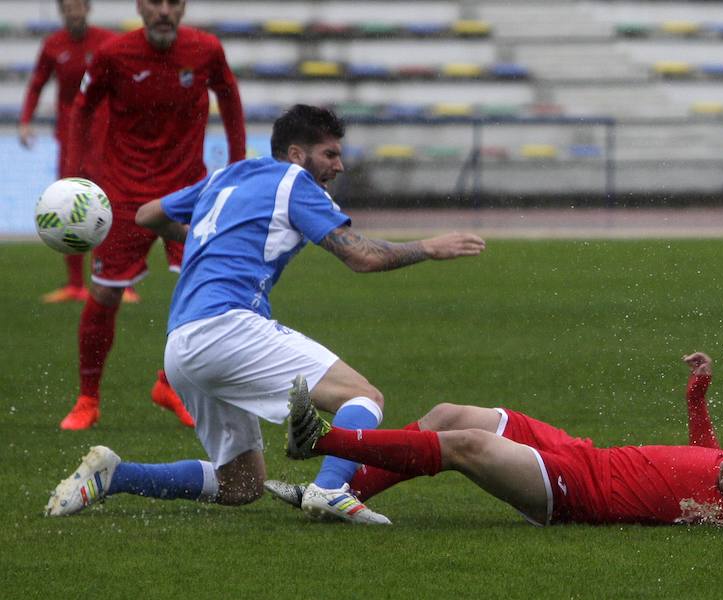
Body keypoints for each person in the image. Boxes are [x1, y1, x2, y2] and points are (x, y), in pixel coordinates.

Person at [44, 104, 486, 524]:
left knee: (241, 484)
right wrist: (428, 247)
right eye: (330, 154)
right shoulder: (294, 182)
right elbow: (363, 257)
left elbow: (148, 214)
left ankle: (115, 476)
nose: (339, 165)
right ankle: (330, 488)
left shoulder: (228, 175)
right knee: (363, 397)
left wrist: (199, 238)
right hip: (228, 327)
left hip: (182, 345)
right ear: (296, 154)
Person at [268, 352, 723, 528]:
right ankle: (337, 493)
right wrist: (697, 396)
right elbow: (707, 455)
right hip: (581, 454)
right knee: (448, 414)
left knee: (467, 445)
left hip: (583, 491)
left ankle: (320, 441)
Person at [58, 0, 246, 431]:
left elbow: (230, 100)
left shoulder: (206, 50)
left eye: (173, 3)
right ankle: (88, 399)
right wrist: (75, 177)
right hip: (125, 194)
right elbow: (81, 109)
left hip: (188, 192)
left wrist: (236, 167)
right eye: (155, 2)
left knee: (205, 292)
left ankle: (170, 385)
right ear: (140, 7)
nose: (164, 11)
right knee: (105, 294)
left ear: (182, 8)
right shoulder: (113, 55)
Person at [17, 0, 130, 304]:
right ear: (62, 10)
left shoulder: (107, 41)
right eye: (68, 6)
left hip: (104, 135)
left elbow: (125, 82)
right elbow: (36, 84)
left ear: (87, 8)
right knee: (66, 203)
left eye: (78, 5)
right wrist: (25, 121)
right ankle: (75, 284)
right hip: (70, 138)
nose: (74, 11)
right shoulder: (53, 45)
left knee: (109, 204)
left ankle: (118, 280)